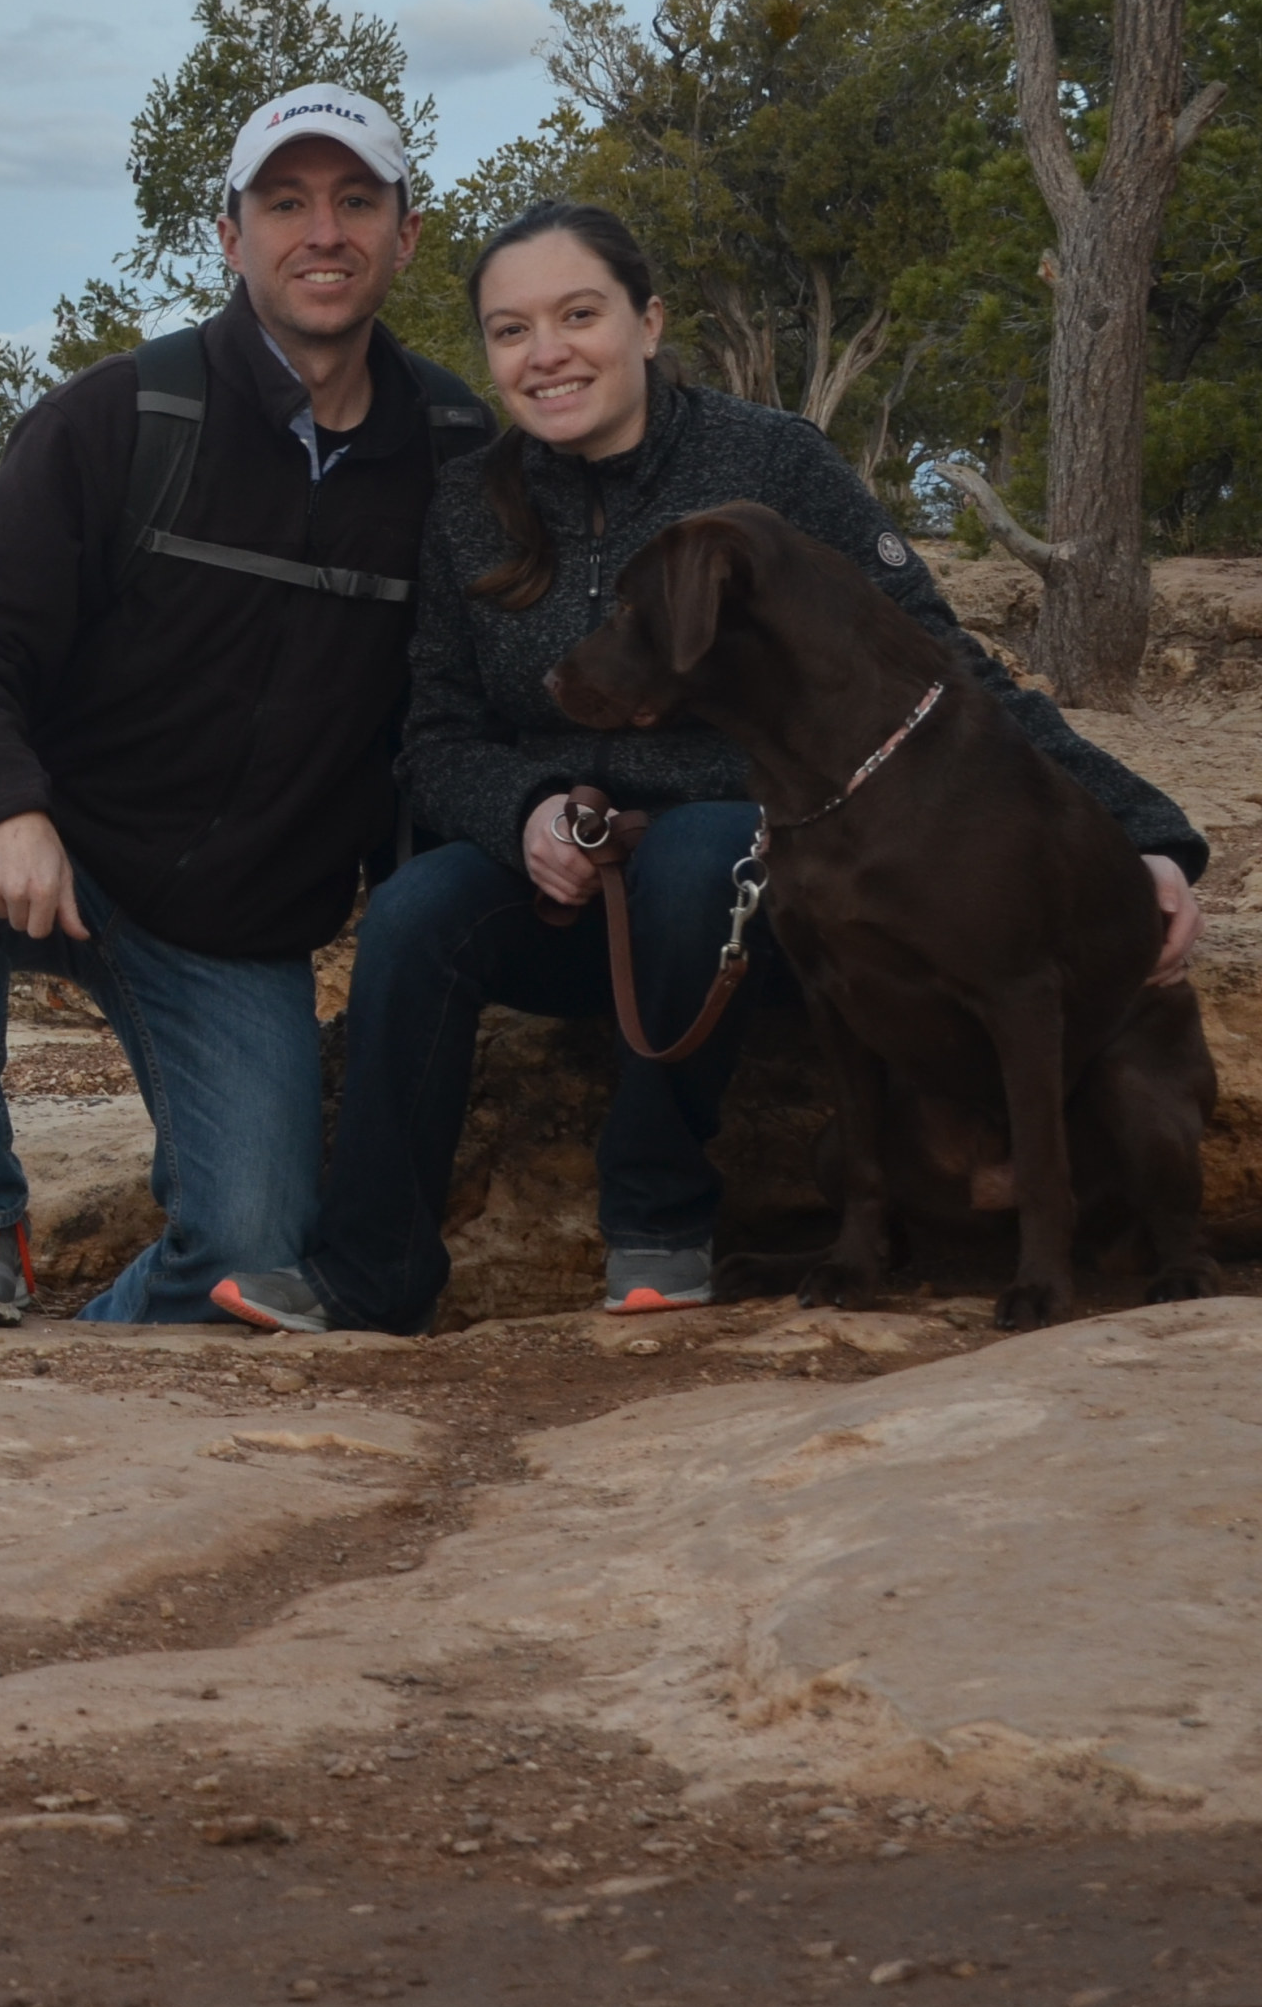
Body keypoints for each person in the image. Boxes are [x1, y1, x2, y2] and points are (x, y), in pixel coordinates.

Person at [210, 198, 1205, 1336]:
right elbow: (432, 737)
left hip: (742, 897)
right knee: (413, 914)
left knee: (701, 854)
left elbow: (943, 669)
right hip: (558, 881)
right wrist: (527, 811)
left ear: (646, 322)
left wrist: (1147, 833)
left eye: (578, 315)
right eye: (510, 331)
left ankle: (658, 1231)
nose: (546, 353)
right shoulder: (468, 509)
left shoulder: (771, 464)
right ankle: (368, 1269)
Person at [0, 85, 492, 1326]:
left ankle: (72, 1357)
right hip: (56, 851)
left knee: (250, 1260)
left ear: (406, 237)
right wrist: (8, 805)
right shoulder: (122, 415)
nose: (323, 233)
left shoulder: (453, 450)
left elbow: (466, 696)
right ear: (228, 235)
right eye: (286, 203)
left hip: (231, 930)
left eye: (355, 202)